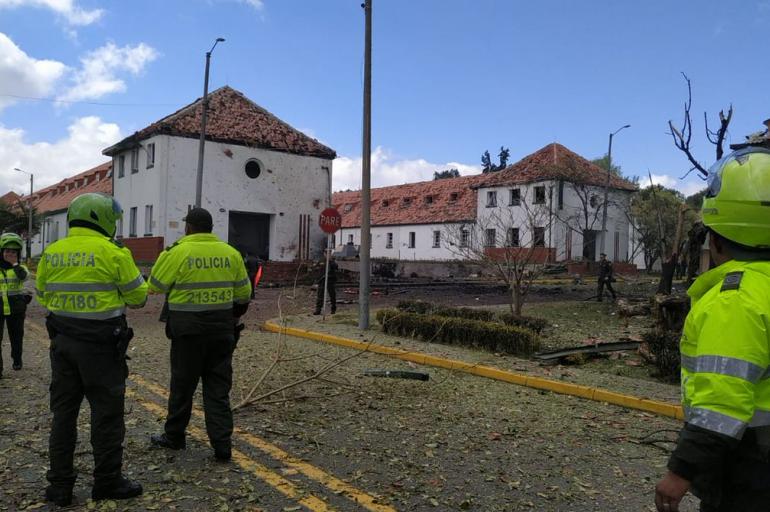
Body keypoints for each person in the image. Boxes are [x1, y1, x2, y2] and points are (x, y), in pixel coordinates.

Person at [654, 146, 770, 512]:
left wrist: (681, 472)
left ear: (716, 241)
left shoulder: (733, 300)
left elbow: (722, 401)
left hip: (749, 469)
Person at [36, 193, 148, 506]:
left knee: (63, 416)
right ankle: (108, 482)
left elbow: (44, 294)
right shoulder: (113, 252)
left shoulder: (52, 251)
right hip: (102, 347)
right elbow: (139, 297)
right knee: (107, 417)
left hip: (63, 344)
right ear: (102, 218)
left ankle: (59, 487)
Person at [148, 208, 251, 461]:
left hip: (187, 333)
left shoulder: (177, 252)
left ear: (189, 228)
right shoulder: (231, 254)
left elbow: (154, 286)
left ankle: (174, 437)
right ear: (210, 227)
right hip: (221, 331)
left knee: (182, 386)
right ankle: (222, 446)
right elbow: (243, 295)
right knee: (218, 390)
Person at [0, 232, 30, 376]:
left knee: (16, 336)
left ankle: (17, 359)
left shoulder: (20, 268)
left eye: (13, 252)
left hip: (16, 307)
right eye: (7, 251)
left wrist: (15, 264)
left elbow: (24, 277)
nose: (10, 254)